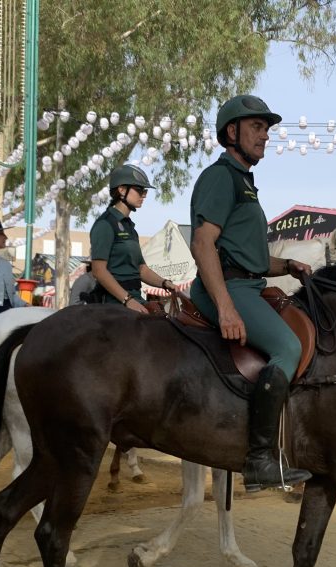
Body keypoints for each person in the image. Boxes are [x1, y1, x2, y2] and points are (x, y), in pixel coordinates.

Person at [188, 94, 312, 492]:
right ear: (232, 132)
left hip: (247, 282)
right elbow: (203, 244)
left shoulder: (245, 182)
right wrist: (225, 308)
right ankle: (259, 459)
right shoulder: (220, 177)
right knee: (288, 348)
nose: (265, 136)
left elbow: (252, 258)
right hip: (226, 288)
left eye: (266, 129)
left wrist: (287, 266)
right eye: (257, 127)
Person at [88, 165, 178, 311]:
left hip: (136, 299)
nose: (144, 195)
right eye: (139, 190)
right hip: (114, 305)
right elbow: (98, 271)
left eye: (145, 191)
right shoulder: (105, 224)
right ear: (122, 190)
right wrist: (127, 300)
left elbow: (141, 269)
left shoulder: (130, 227)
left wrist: (164, 283)